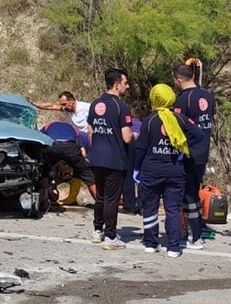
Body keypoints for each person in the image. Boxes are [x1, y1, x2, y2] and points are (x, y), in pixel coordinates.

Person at [133, 84, 206, 258]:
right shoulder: (180, 119)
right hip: (175, 171)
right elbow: (199, 134)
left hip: (151, 170)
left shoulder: (149, 121)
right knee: (173, 209)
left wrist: (136, 168)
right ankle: (174, 247)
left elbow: (141, 148)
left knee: (150, 207)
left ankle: (151, 243)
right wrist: (183, 146)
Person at [86, 69, 133, 249]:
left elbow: (90, 131)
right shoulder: (121, 107)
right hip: (115, 159)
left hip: (97, 156)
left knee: (101, 197)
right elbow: (127, 137)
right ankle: (111, 237)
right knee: (112, 199)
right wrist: (135, 136)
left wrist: (96, 148)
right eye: (125, 83)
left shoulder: (95, 104)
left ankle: (97, 231)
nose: (127, 86)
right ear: (116, 84)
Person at [172, 59, 217, 250]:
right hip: (203, 150)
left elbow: (177, 127)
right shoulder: (208, 96)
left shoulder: (183, 99)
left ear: (179, 79)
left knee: (189, 195)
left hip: (188, 152)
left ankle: (195, 236)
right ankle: (194, 230)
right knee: (193, 192)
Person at [40, 120, 96, 205]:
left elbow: (40, 141)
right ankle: (100, 201)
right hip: (70, 147)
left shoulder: (47, 126)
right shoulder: (74, 129)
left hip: (52, 145)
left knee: (44, 169)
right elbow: (83, 153)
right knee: (86, 173)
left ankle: (45, 199)